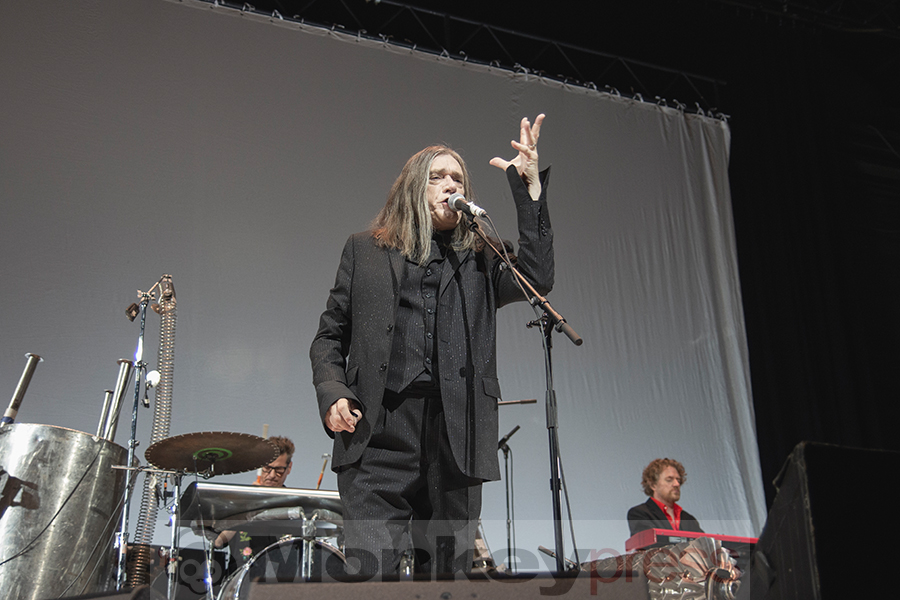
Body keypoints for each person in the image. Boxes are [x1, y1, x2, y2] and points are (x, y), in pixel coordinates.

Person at [310, 114, 554, 577]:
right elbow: (329, 335)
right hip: (378, 433)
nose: (449, 185)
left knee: (448, 579)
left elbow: (538, 279)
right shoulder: (365, 249)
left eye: (457, 178)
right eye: (437, 176)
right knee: (371, 573)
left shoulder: (483, 254)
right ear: (413, 189)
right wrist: (333, 391)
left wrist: (529, 193)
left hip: (456, 437)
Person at [215, 436, 295, 571]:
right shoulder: (240, 501)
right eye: (267, 468)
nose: (271, 475)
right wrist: (247, 507)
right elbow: (218, 543)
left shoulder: (295, 505)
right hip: (240, 579)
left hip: (281, 582)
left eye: (279, 470)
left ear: (289, 467)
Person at [627, 458, 704, 536]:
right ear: (653, 485)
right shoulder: (640, 513)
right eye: (669, 479)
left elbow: (705, 545)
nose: (677, 484)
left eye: (678, 480)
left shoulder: (689, 519)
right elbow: (652, 544)